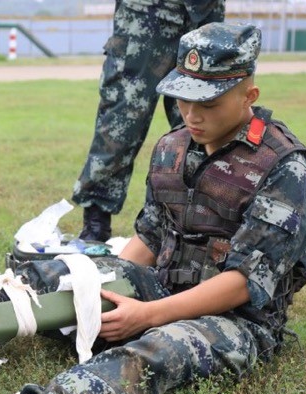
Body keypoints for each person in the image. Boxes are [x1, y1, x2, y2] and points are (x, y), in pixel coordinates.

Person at [0, 23, 306, 394]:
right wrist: (98, 286)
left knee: (161, 350)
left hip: (237, 320)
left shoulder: (285, 170)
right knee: (58, 274)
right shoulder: (173, 147)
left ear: (248, 98)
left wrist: (147, 315)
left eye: (208, 104)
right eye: (183, 98)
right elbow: (149, 236)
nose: (192, 115)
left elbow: (242, 283)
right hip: (162, 286)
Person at [73, 0, 225, 242]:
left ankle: (199, 224)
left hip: (203, 12)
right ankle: (96, 222)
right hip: (146, 12)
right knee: (121, 124)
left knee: (204, 125)